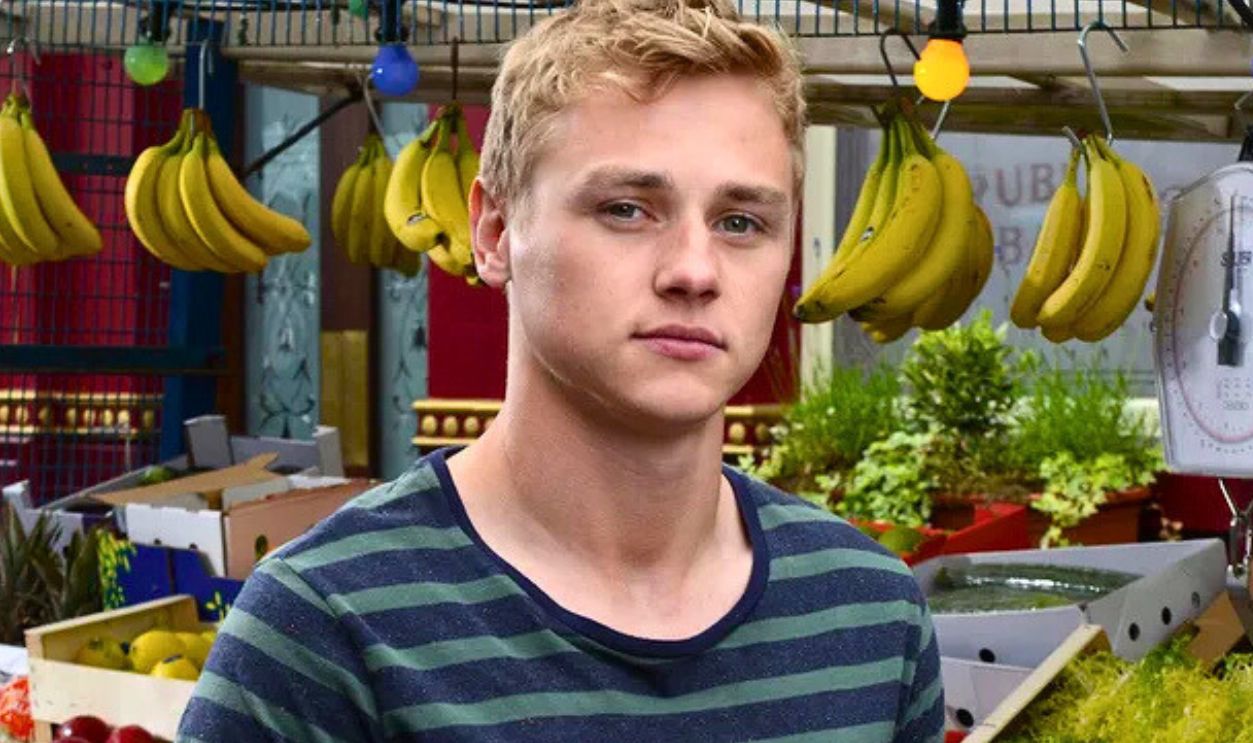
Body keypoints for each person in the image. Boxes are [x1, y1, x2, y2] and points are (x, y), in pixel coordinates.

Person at [176, 0, 943, 740]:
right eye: (626, 208)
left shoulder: (872, 616)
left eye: (740, 222)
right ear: (496, 231)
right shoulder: (324, 627)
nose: (694, 270)